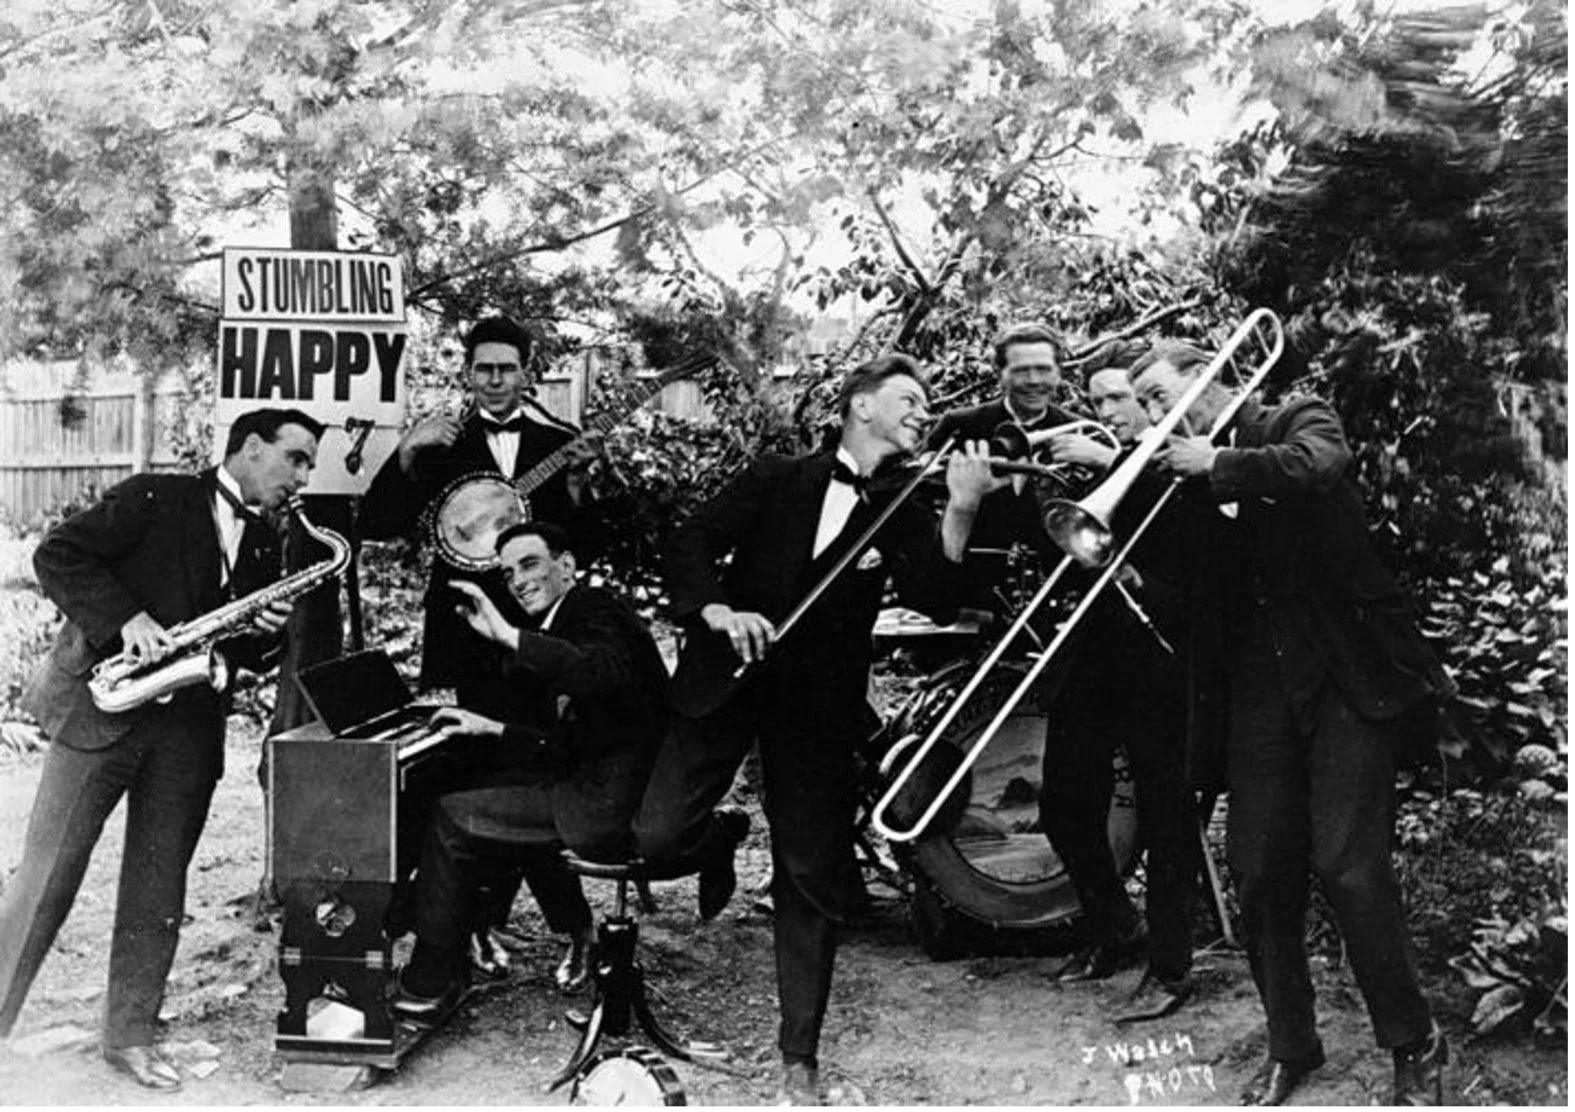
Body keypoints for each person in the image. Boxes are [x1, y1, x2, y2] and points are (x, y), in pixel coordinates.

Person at [633, 354, 999, 1105]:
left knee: (810, 875)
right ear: (859, 407)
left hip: (815, 708)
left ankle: (799, 1054)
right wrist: (716, 611)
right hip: (725, 680)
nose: (921, 412)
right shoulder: (778, 476)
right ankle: (723, 838)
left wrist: (961, 507)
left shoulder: (904, 502)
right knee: (657, 838)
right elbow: (689, 540)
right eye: (908, 398)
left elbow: (936, 597)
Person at [1131, 339, 1454, 1106]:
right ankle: (1291, 1046)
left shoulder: (1293, 418)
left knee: (1348, 867)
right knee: (1258, 870)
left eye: (1157, 393)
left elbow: (1318, 466)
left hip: (1346, 681)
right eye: (1142, 403)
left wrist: (1217, 465)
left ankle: (1414, 1041)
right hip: (1255, 696)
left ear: (1212, 379)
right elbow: (1188, 596)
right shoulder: (1177, 483)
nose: (1152, 413)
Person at [0, 407, 322, 1090]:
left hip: (185, 731)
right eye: (296, 458)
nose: (302, 476)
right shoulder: (156, 495)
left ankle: (131, 1037)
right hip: (102, 708)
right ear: (252, 447)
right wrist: (127, 619)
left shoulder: (272, 543)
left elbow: (243, 652)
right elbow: (58, 555)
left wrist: (263, 635)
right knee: (46, 878)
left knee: (158, 887)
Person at [360, 315, 600, 973]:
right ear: (468, 373)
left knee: (533, 773)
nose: (494, 380)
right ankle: (479, 924)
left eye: (506, 368)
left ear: (527, 372)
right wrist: (405, 453)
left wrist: (578, 489)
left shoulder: (558, 441)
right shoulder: (439, 441)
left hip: (537, 630)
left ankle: (571, 928)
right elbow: (378, 525)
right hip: (462, 633)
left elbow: (584, 545)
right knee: (477, 774)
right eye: (482, 369)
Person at [392, 521, 670, 1015]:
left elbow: (596, 673)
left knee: (453, 817)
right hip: (599, 781)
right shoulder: (567, 620)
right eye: (507, 573)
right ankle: (453, 938)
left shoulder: (597, 611)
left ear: (566, 566)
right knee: (483, 787)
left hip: (614, 803)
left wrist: (506, 633)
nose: (518, 581)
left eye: (530, 564)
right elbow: (568, 738)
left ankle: (432, 978)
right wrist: (490, 729)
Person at [1037, 363, 1200, 1024]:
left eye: (1122, 399)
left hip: (1162, 662)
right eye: (1098, 398)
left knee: (1166, 819)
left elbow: (1205, 583)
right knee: (1062, 799)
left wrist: (1111, 458)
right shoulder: (1111, 470)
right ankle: (1113, 925)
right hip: (1098, 653)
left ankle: (1169, 966)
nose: (1108, 408)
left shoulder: (1183, 470)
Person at [927, 323, 1114, 615]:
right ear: (1000, 374)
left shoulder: (1084, 431)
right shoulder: (959, 424)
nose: (1034, 380)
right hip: (976, 597)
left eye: (1043, 369)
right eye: (1021, 370)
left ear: (1058, 373)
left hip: (1056, 594)